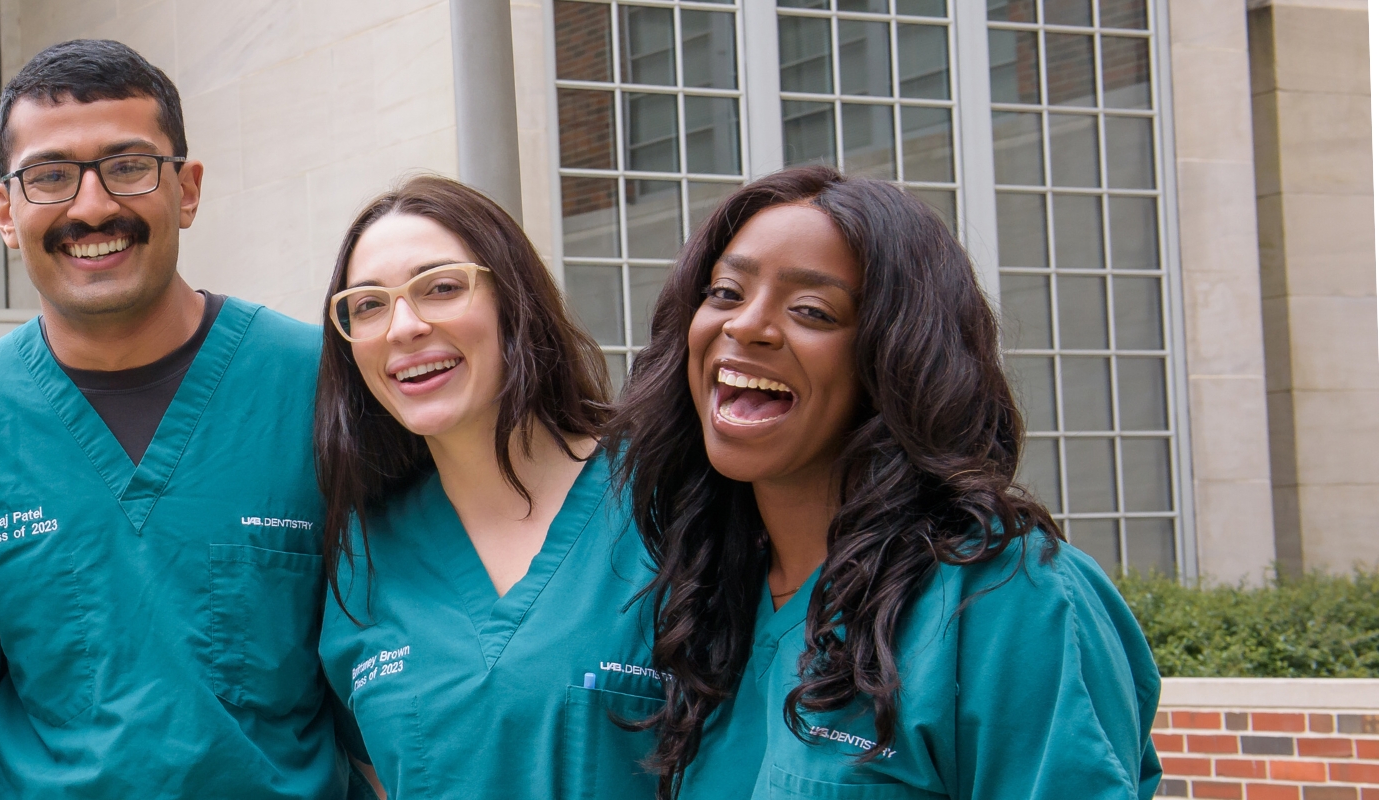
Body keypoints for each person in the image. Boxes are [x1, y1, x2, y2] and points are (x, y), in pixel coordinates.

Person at [613, 166, 1162, 798]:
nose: (746, 326)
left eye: (812, 311)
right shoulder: (705, 593)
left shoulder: (1010, 598)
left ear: (897, 360)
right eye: (726, 293)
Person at [0, 39, 344, 798]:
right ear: (4, 211)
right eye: (49, 176)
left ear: (188, 189)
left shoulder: (324, 389)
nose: (92, 207)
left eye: (128, 166)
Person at [313, 175, 660, 798]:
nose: (404, 326)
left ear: (514, 299)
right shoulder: (363, 555)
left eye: (441, 287)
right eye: (367, 304)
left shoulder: (661, 501)